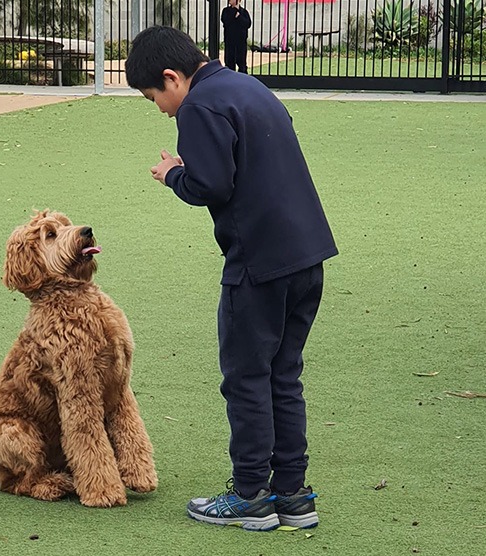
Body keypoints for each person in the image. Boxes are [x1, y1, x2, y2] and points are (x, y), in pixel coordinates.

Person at [125, 26, 338, 531]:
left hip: (258, 265)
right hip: (307, 256)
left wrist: (173, 172)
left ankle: (250, 495)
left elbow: (211, 185)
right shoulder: (249, 86)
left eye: (154, 95)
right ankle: (292, 495)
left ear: (172, 77)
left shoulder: (199, 106)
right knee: (284, 376)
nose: (159, 107)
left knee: (246, 379)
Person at [221, 0, 251, 73]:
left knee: (241, 62)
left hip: (241, 41)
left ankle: (243, 79)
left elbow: (248, 24)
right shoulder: (226, 11)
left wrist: (239, 16)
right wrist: (234, 12)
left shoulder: (243, 12)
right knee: (229, 61)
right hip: (229, 40)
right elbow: (225, 21)